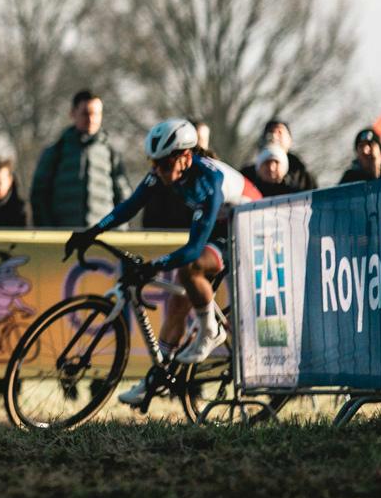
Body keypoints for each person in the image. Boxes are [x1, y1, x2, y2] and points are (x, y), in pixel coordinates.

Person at [66, 119, 257, 409]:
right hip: (224, 228)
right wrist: (91, 232)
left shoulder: (209, 182)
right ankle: (158, 378)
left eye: (163, 165)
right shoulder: (166, 171)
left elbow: (193, 250)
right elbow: (129, 207)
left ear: (185, 157)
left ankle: (212, 331)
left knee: (189, 270)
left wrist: (154, 265)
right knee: (179, 298)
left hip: (253, 228)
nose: (157, 171)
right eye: (152, 164)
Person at [30, 90, 133, 228]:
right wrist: (49, 230)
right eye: (85, 113)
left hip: (102, 238)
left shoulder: (111, 153)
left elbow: (124, 196)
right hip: (64, 237)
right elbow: (39, 196)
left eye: (96, 114)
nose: (91, 119)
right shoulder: (56, 151)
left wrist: (117, 230)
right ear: (73, 113)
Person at [259, 119, 317, 193]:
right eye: (271, 132)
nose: (274, 137)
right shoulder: (248, 175)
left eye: (279, 133)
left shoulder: (303, 178)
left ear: (289, 140)